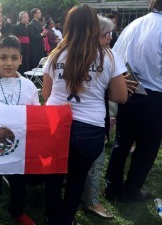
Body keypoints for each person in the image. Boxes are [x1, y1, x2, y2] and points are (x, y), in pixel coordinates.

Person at [42, 5, 127, 225]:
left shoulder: (55, 54)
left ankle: (53, 219)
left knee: (53, 177)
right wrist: (99, 87)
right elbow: (121, 96)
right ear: (93, 26)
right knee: (77, 180)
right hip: (89, 128)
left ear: (68, 26)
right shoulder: (108, 55)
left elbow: (46, 93)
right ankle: (66, 220)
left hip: (54, 121)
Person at [0, 35, 39, 225]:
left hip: (19, 147)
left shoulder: (29, 87)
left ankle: (17, 211)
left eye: (13, 58)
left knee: (18, 184)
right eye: (3, 58)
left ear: (20, 59)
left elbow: (35, 116)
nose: (8, 63)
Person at [105, 0, 162, 202]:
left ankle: (111, 187)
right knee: (147, 147)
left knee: (123, 140)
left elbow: (115, 56)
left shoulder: (135, 24)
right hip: (154, 95)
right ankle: (131, 191)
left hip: (129, 89)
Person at [81, 15, 115, 220]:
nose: (109, 38)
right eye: (105, 34)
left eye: (110, 34)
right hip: (90, 119)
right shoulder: (104, 57)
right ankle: (91, 200)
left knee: (93, 162)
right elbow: (118, 94)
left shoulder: (106, 55)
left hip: (85, 117)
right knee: (95, 161)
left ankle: (87, 198)